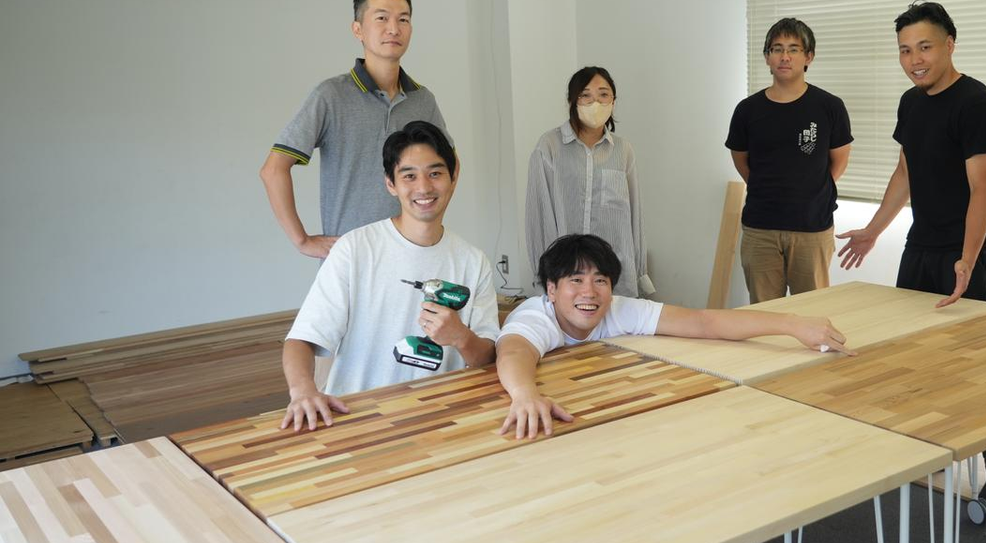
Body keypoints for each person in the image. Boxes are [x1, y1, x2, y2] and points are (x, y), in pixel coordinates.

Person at [835, 0, 986, 507]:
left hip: (970, 249)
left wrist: (967, 260)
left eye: (924, 47)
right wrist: (873, 231)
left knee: (973, 364)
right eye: (905, 50)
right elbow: (905, 173)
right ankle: (924, 450)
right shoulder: (911, 103)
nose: (914, 60)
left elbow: (982, 190)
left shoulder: (977, 104)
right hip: (922, 244)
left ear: (949, 45)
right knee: (910, 355)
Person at [495, 234, 853, 439]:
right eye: (576, 280)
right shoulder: (537, 314)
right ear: (551, 289)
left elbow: (703, 322)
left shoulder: (618, 308)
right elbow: (513, 351)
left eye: (600, 280)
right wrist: (525, 394)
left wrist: (792, 324)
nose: (589, 292)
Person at [279, 122, 497, 431]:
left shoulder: (473, 262)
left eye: (435, 173)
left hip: (440, 421)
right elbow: (301, 339)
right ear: (390, 184)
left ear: (453, 178)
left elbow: (488, 357)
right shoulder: (355, 249)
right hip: (358, 421)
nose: (424, 187)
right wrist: (303, 392)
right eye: (409, 176)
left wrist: (461, 337)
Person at [260, 0, 452, 260]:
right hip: (351, 258)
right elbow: (273, 170)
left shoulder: (423, 100)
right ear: (358, 29)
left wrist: (430, 219)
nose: (394, 28)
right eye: (382, 18)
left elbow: (451, 165)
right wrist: (302, 241)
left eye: (403, 19)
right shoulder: (331, 95)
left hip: (412, 256)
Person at [726, 18, 853, 303]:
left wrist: (810, 188)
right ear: (767, 57)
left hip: (812, 226)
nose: (785, 56)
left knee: (812, 309)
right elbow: (741, 160)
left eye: (794, 49)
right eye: (777, 49)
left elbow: (839, 161)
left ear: (809, 57)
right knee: (764, 312)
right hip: (760, 228)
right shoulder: (747, 110)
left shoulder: (829, 106)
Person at [525, 67, 653, 299]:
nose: (595, 103)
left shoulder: (623, 150)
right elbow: (538, 216)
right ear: (572, 101)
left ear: (613, 101)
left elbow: (634, 215)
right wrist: (543, 276)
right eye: (586, 95)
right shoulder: (549, 146)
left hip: (613, 275)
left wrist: (639, 273)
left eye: (603, 94)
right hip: (566, 274)